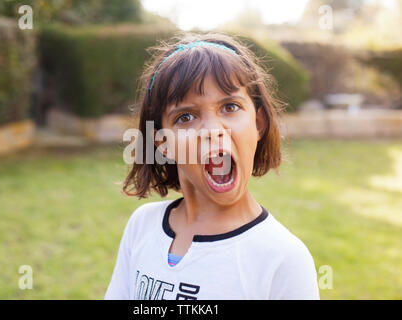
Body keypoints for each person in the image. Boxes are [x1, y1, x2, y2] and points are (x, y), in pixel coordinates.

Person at [104, 32, 320, 300]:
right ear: (163, 143)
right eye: (185, 117)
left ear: (259, 124)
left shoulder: (283, 258)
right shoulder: (142, 226)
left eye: (230, 106)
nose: (212, 130)